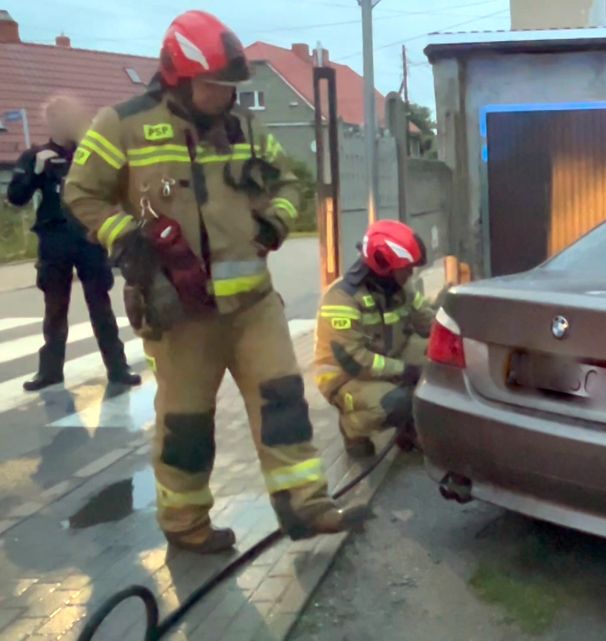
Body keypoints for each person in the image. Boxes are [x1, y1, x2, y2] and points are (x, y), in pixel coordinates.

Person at [63, 10, 370, 554]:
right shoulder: (122, 124)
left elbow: (288, 181)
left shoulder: (243, 128)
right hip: (178, 311)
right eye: (214, 85)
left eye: (231, 86)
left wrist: (276, 220)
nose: (225, 95)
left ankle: (308, 508)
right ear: (178, 77)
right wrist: (125, 237)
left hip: (253, 306)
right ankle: (186, 525)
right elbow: (80, 193)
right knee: (186, 423)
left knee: (283, 402)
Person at [5, 96, 141, 392]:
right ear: (51, 122)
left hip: (89, 238)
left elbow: (116, 188)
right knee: (55, 307)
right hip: (54, 239)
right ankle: (50, 371)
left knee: (100, 305)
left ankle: (118, 367)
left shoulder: (90, 155)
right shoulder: (36, 156)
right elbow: (15, 198)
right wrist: (35, 172)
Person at [314, 220, 433, 459]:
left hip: (387, 357)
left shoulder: (400, 288)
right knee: (398, 402)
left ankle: (408, 427)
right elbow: (354, 360)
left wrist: (458, 329)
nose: (410, 273)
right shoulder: (342, 298)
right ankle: (352, 427)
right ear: (384, 267)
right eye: (406, 268)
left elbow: (428, 322)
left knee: (440, 362)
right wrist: (405, 370)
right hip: (346, 377)